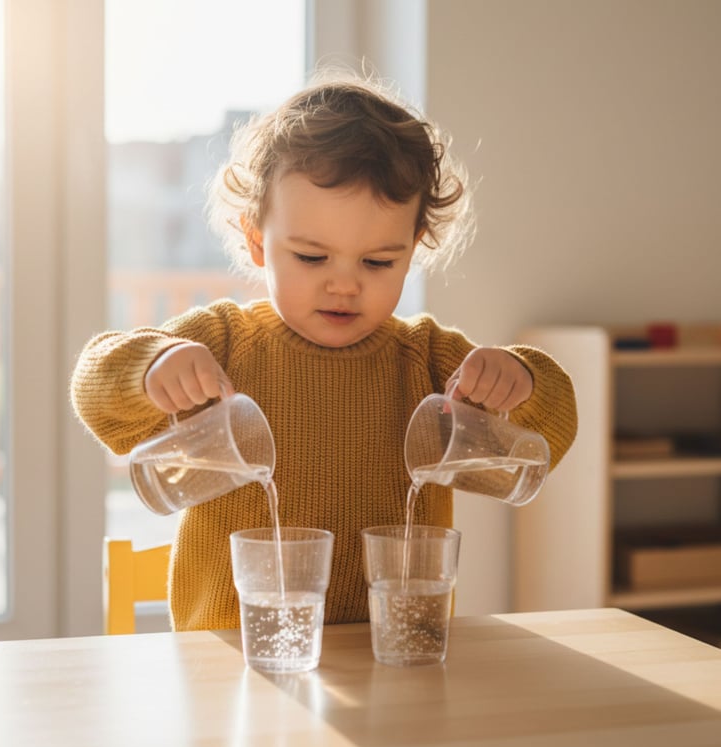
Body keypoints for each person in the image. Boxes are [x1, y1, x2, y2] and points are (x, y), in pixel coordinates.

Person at [71, 73, 577, 631]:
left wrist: (520, 380)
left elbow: (551, 434)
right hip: (237, 657)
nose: (345, 285)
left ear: (415, 247)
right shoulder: (222, 345)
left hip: (396, 657)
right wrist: (151, 369)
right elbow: (96, 384)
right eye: (312, 258)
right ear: (258, 241)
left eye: (378, 262)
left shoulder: (430, 360)